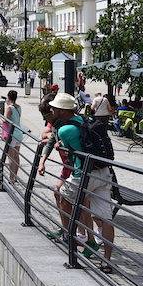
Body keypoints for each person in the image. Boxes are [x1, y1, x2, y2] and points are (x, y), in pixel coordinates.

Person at [47, 93, 115, 273]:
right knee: (106, 218)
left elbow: (68, 153)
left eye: (54, 108)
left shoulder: (64, 130)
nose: (52, 110)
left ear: (62, 111)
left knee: (62, 197)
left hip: (83, 174)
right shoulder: (84, 120)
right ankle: (107, 261)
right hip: (103, 173)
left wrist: (59, 144)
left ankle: (69, 235)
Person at [3, 90, 24, 184]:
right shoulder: (18, 107)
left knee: (11, 157)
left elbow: (5, 120)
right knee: (16, 156)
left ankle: (11, 178)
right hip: (19, 133)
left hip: (12, 134)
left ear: (8, 97)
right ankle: (15, 176)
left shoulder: (9, 108)